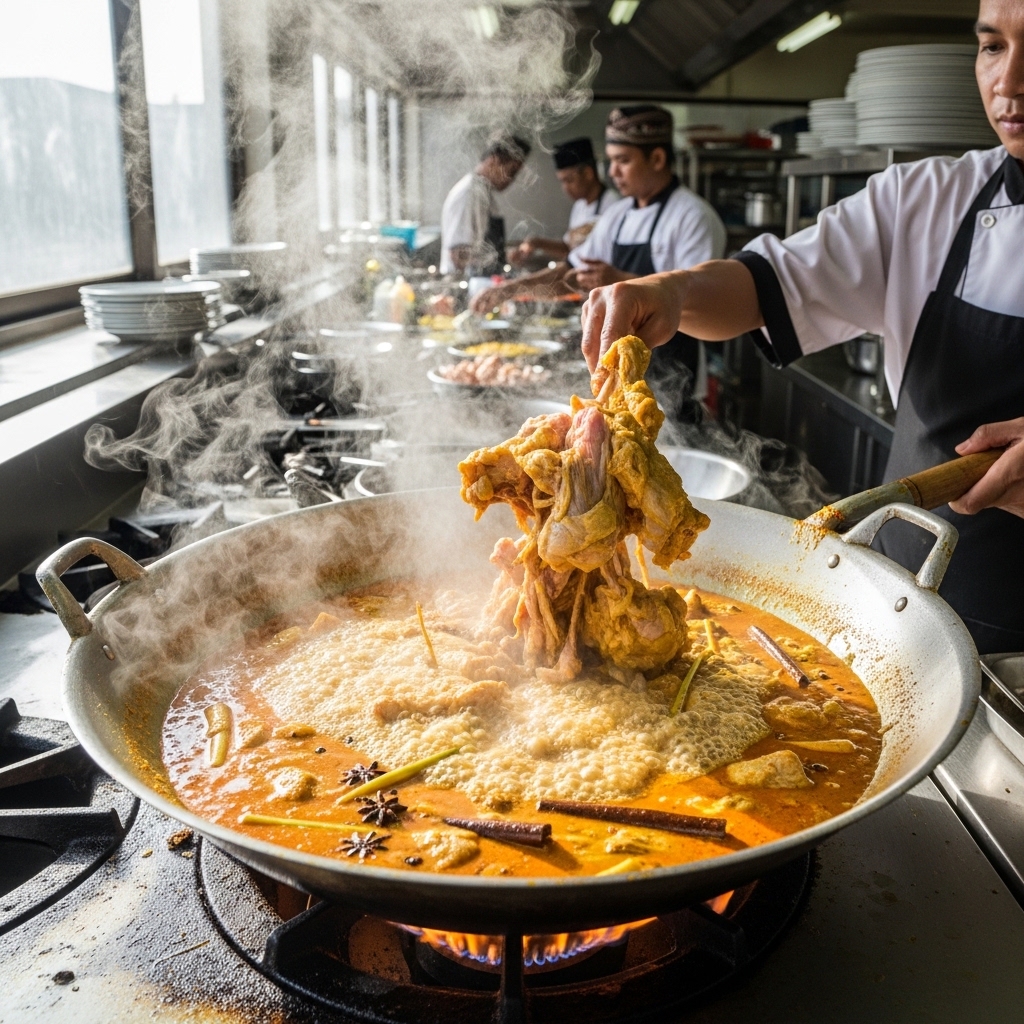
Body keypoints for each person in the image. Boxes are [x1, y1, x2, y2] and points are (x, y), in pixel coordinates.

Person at [580, 0, 1024, 654]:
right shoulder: (928, 199)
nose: (1009, 82)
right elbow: (769, 284)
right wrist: (672, 290)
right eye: (992, 46)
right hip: (904, 606)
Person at [476, 107, 726, 411]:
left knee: (669, 437)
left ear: (658, 159)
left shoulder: (693, 216)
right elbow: (572, 270)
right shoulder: (617, 216)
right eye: (611, 161)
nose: (612, 173)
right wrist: (510, 289)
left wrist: (620, 280)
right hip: (617, 376)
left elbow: (699, 300)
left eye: (623, 161)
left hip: (674, 374)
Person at [509, 137, 618, 264]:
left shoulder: (613, 204)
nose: (565, 188)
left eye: (569, 180)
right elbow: (568, 248)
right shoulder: (579, 206)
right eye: (562, 181)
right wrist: (536, 243)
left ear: (588, 173)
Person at [440, 135, 531, 277]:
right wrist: (498, 260)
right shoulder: (469, 193)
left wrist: (507, 254)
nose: (512, 179)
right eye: (512, 171)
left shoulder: (484, 192)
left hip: (485, 280)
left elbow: (483, 244)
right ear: (493, 161)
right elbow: (458, 255)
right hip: (467, 282)